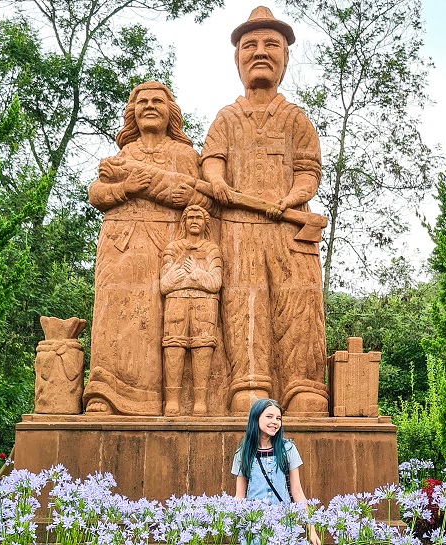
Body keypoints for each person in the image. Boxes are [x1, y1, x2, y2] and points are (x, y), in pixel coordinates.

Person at [201, 6, 329, 416]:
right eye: (250, 45)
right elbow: (211, 159)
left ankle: (303, 386)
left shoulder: (296, 119)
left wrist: (293, 197)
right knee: (244, 303)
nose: (260, 51)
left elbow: (309, 170)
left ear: (286, 58)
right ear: (237, 58)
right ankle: (250, 384)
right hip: (237, 229)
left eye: (271, 44)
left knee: (299, 304)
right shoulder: (226, 117)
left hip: (290, 229)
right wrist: (217, 179)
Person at [83, 81, 213, 415]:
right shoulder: (123, 156)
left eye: (158, 101)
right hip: (120, 246)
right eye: (142, 102)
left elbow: (204, 198)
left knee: (159, 322)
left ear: (171, 111)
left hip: (165, 247)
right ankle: (105, 394)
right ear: (133, 112)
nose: (150, 106)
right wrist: (127, 187)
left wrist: (186, 197)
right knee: (114, 316)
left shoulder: (184, 155)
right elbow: (97, 194)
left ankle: (159, 400)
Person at [160, 205, 222, 416]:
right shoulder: (173, 248)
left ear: (206, 223)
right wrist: (182, 278)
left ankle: (200, 403)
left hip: (205, 304)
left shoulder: (212, 249)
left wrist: (195, 273)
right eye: (190, 217)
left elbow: (215, 283)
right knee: (173, 345)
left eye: (199, 217)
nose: (195, 221)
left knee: (203, 346)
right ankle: (172, 402)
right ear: (184, 222)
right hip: (176, 302)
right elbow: (165, 284)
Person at [232, 398, 321, 545]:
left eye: (278, 418)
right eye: (269, 416)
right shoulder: (243, 452)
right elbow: (240, 496)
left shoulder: (287, 448)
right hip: (254, 526)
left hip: (283, 524)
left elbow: (297, 491)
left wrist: (310, 528)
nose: (275, 422)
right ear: (256, 418)